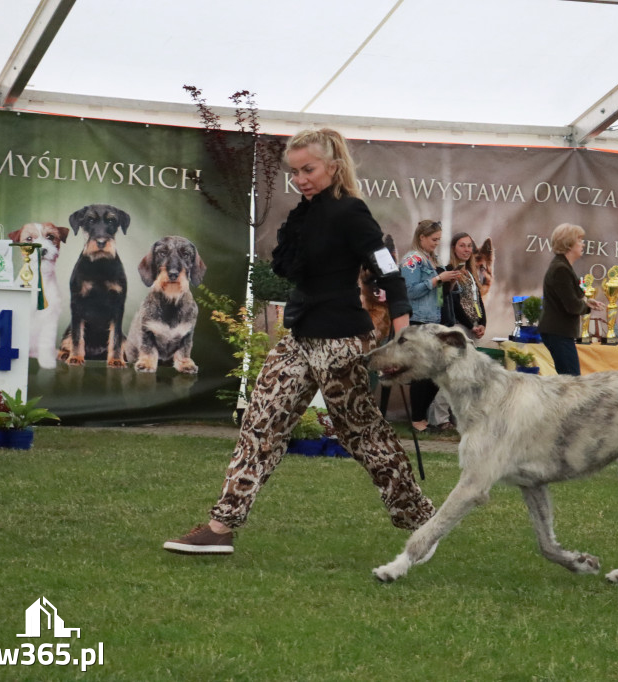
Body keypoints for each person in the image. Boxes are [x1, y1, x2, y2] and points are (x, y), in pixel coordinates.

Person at [163, 128, 435, 555]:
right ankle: (221, 527)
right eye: (294, 172)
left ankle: (422, 522)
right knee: (261, 424)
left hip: (342, 342)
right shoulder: (304, 214)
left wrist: (403, 331)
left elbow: (387, 270)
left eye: (308, 169)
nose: (301, 179)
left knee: (362, 435)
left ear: (333, 165)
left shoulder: (352, 212)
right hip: (300, 338)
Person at [400, 220, 459, 433]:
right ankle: (417, 420)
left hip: (435, 321)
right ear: (422, 237)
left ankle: (422, 416)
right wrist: (436, 280)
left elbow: (438, 295)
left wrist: (448, 282)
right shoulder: (412, 260)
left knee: (435, 373)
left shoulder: (433, 259)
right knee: (422, 374)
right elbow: (409, 292)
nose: (436, 243)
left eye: (438, 240)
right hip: (418, 321)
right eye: (434, 240)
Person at [537, 223, 605, 376]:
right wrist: (585, 306)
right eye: (579, 240)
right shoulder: (561, 269)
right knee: (572, 382)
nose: (583, 244)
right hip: (558, 332)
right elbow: (572, 306)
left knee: (569, 380)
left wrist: (586, 301)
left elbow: (569, 300)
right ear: (568, 244)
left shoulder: (562, 266)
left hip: (558, 332)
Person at [446, 232, 487, 341]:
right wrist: (470, 326)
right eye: (462, 246)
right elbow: (454, 303)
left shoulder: (471, 273)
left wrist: (482, 323)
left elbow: (478, 301)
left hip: (474, 328)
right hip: (459, 328)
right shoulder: (449, 271)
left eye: (469, 246)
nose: (467, 250)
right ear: (454, 248)